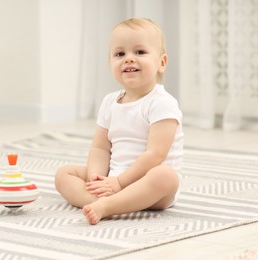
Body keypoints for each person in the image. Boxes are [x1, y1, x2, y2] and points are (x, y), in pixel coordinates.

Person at [55, 18, 184, 225]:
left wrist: (120, 182)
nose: (129, 59)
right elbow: (100, 148)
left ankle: (107, 206)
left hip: (148, 184)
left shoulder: (162, 103)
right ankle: (109, 201)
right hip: (113, 177)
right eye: (120, 54)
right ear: (111, 63)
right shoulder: (109, 102)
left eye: (140, 52)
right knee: (64, 174)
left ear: (161, 63)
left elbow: (155, 155)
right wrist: (96, 177)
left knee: (165, 176)